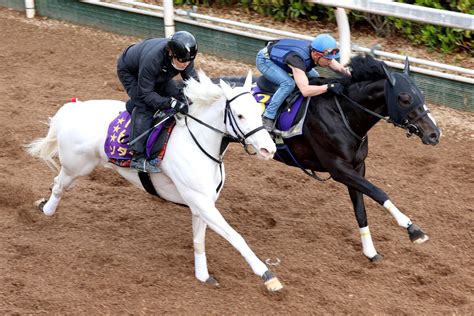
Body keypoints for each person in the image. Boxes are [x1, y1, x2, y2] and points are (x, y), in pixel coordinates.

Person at [117, 31, 198, 173]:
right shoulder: (153, 59)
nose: (186, 64)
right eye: (183, 61)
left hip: (157, 72)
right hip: (131, 71)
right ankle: (137, 157)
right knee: (145, 105)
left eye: (189, 61)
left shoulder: (185, 57)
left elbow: (193, 83)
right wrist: (171, 103)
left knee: (177, 94)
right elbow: (146, 94)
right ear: (171, 53)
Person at [256, 33, 350, 131]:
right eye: (328, 59)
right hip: (265, 60)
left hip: (290, 58)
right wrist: (328, 87)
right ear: (316, 55)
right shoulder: (297, 59)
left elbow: (339, 68)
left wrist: (355, 75)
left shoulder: (318, 52)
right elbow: (305, 91)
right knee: (288, 84)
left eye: (332, 59)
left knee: (315, 77)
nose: (330, 62)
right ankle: (268, 116)